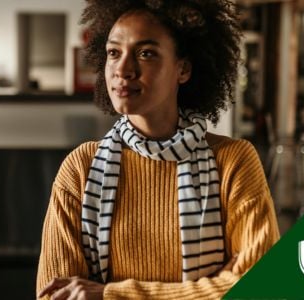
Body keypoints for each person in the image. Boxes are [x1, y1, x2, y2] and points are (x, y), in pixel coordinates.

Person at [36, 0, 280, 299]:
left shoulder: (233, 162)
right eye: (114, 53)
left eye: (146, 53)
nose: (123, 69)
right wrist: (210, 288)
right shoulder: (80, 169)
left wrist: (109, 294)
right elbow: (55, 296)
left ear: (184, 69)